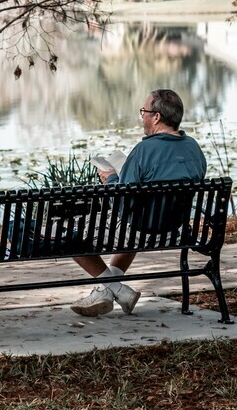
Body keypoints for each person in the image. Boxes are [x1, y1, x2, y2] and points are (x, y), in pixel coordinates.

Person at [70, 88, 206, 318]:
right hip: (176, 231)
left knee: (70, 235)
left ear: (156, 117)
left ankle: (117, 289)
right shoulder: (194, 148)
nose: (142, 115)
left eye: (144, 111)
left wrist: (111, 178)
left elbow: (122, 204)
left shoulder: (143, 150)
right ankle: (106, 292)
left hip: (142, 231)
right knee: (135, 224)